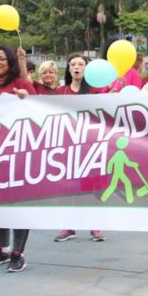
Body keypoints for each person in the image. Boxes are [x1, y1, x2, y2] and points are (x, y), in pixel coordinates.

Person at [0, 45, 35, 272]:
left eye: (1, 58)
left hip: (18, 153)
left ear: (10, 61)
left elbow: (40, 110)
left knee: (19, 204)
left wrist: (26, 99)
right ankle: (1, 249)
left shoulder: (21, 84)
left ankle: (18, 252)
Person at [54, 54, 105, 242]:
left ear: (87, 68)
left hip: (91, 145)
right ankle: (68, 226)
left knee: (92, 186)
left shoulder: (96, 92)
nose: (76, 67)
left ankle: (95, 225)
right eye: (73, 64)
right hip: (67, 146)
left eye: (80, 64)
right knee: (68, 187)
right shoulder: (60, 92)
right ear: (68, 68)